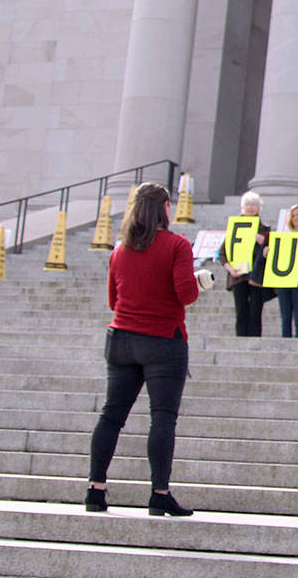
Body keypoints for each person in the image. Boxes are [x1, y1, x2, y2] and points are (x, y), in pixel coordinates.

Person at [86, 182, 199, 516]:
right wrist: (197, 279)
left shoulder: (119, 250)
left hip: (121, 338)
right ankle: (159, 493)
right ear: (164, 207)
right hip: (163, 339)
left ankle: (96, 489)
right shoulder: (177, 245)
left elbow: (112, 300)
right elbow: (186, 294)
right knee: (162, 418)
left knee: (111, 415)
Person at [218, 191, 270, 337]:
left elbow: (272, 251)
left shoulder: (265, 229)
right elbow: (223, 253)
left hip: (256, 276)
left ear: (259, 208)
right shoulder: (234, 228)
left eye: (254, 205)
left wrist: (264, 243)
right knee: (241, 311)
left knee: (255, 312)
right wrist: (230, 269)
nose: (251, 208)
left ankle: (255, 340)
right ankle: (240, 339)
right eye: (248, 204)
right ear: (243, 207)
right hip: (238, 275)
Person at [272, 204, 298, 337]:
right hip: (284, 279)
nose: (295, 218)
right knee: (285, 317)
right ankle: (285, 343)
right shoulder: (284, 237)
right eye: (293, 215)